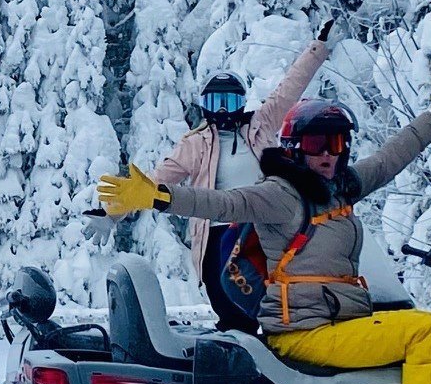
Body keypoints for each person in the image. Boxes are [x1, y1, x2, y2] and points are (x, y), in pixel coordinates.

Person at [95, 70, 431, 384]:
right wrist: (161, 196)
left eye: (337, 143)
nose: (328, 154)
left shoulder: (340, 188)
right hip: (307, 331)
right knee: (427, 333)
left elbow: (390, 159)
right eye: (318, 143)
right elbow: (225, 203)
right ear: (296, 148)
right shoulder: (280, 194)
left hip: (339, 322)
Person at [138, 27, 332, 331]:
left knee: (271, 301)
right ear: (205, 106)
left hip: (261, 229)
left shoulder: (259, 125)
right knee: (228, 306)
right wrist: (114, 210)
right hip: (217, 235)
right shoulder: (197, 143)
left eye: (229, 101)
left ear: (242, 101)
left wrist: (317, 49)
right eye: (216, 103)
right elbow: (154, 180)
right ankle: (233, 361)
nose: (224, 110)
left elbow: (289, 88)